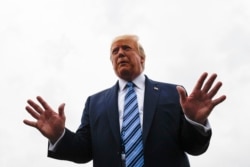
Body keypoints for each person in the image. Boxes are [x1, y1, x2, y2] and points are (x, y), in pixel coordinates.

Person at [23, 34, 226, 167]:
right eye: (115, 51)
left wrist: (195, 122)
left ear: (142, 58)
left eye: (126, 48)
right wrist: (59, 136)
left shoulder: (174, 93)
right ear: (112, 62)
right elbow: (84, 151)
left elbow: (194, 147)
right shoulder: (94, 103)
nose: (120, 53)